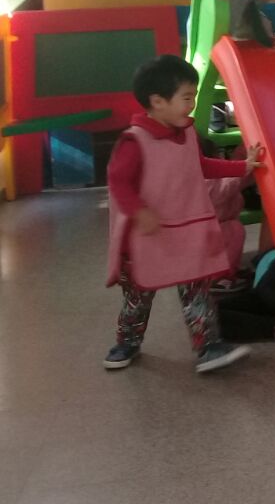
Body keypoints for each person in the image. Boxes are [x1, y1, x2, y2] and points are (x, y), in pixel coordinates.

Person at [103, 55, 264, 373]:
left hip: (184, 230)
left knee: (197, 289)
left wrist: (242, 166)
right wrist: (138, 212)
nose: (192, 104)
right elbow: (118, 180)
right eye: (187, 97)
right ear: (158, 101)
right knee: (139, 294)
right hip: (147, 237)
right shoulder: (135, 141)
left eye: (193, 96)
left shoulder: (187, 133)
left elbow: (200, 166)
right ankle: (127, 342)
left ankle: (208, 347)